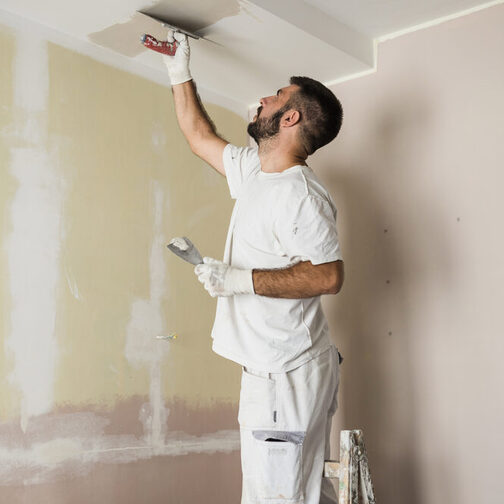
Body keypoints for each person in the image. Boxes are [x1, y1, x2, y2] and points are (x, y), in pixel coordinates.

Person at [163, 30, 345, 504]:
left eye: (276, 96)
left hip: (286, 374)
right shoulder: (255, 174)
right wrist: (179, 71)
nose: (262, 99)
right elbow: (198, 136)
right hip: (267, 369)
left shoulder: (302, 195)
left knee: (280, 497)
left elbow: (329, 275)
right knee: (286, 492)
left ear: (290, 117)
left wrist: (238, 280)